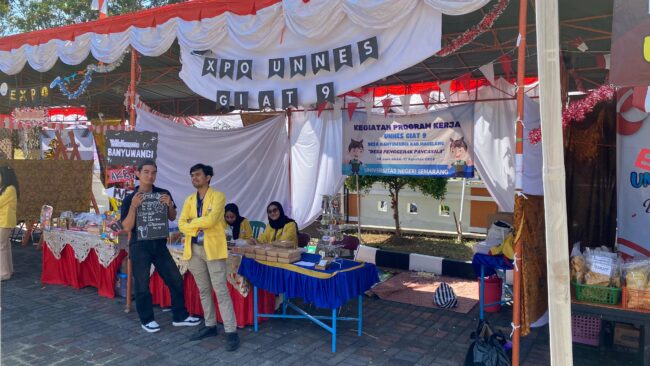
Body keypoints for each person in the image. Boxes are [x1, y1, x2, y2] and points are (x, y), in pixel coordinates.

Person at [121, 160, 200, 333]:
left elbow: (172, 217)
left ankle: (180, 316)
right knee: (142, 284)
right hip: (139, 246)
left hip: (159, 244)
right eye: (146, 172)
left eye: (153, 172)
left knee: (175, 279)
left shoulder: (163, 193)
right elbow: (126, 227)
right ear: (138, 174)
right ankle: (147, 319)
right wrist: (134, 208)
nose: (150, 176)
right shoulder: (129, 199)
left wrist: (170, 205)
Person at [179, 164, 240, 351]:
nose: (194, 178)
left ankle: (231, 331)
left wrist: (192, 223)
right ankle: (210, 325)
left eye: (198, 175)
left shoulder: (218, 196)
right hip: (194, 249)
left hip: (212, 250)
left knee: (220, 290)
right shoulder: (189, 200)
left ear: (208, 177)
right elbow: (181, 224)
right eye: (192, 175)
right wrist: (196, 225)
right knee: (204, 290)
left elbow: (212, 220)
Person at [0, 166, 18, 281]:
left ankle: (4, 273)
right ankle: (8, 270)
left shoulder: (10, 189)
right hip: (3, 221)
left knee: (1, 247)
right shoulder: (5, 188)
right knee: (5, 246)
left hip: (5, 222)